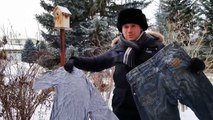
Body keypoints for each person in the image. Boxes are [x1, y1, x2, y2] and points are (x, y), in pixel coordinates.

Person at [64, 8, 205, 120]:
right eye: (125, 26)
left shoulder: (156, 48)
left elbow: (176, 66)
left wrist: (192, 65)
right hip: (123, 109)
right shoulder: (118, 49)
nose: (129, 30)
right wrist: (75, 61)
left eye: (133, 26)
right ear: (121, 29)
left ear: (141, 27)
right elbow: (96, 63)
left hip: (152, 109)